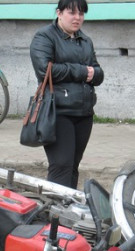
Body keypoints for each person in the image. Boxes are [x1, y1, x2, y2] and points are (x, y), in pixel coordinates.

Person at [29, 0, 104, 189]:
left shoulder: (85, 40)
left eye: (81, 13)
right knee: (61, 165)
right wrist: (81, 72)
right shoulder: (44, 37)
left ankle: (67, 211)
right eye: (72, 13)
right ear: (59, 13)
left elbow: (97, 71)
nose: (77, 18)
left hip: (84, 113)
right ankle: (55, 215)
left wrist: (95, 74)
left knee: (72, 166)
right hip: (57, 112)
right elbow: (45, 70)